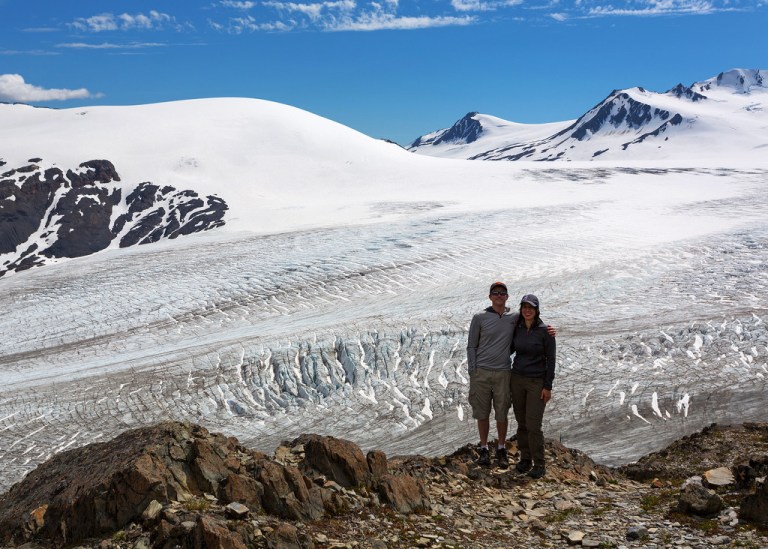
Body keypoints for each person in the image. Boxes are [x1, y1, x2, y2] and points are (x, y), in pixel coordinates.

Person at [466, 282, 516, 468]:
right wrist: (473, 371)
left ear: (507, 296)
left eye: (502, 293)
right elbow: (472, 345)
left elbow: (532, 323)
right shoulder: (479, 317)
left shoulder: (514, 317)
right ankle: (484, 448)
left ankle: (501, 448)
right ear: (490, 297)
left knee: (502, 411)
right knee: (482, 411)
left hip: (503, 371)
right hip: (482, 372)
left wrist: (548, 330)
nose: (499, 295)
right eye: (495, 293)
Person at [510, 294, 556, 479]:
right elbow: (508, 349)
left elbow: (551, 359)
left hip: (536, 382)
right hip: (517, 379)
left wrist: (548, 386)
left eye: (531, 307)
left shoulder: (546, 332)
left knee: (533, 424)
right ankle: (525, 459)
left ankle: (539, 463)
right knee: (521, 422)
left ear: (537, 310)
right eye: (524, 307)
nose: (527, 310)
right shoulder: (517, 328)